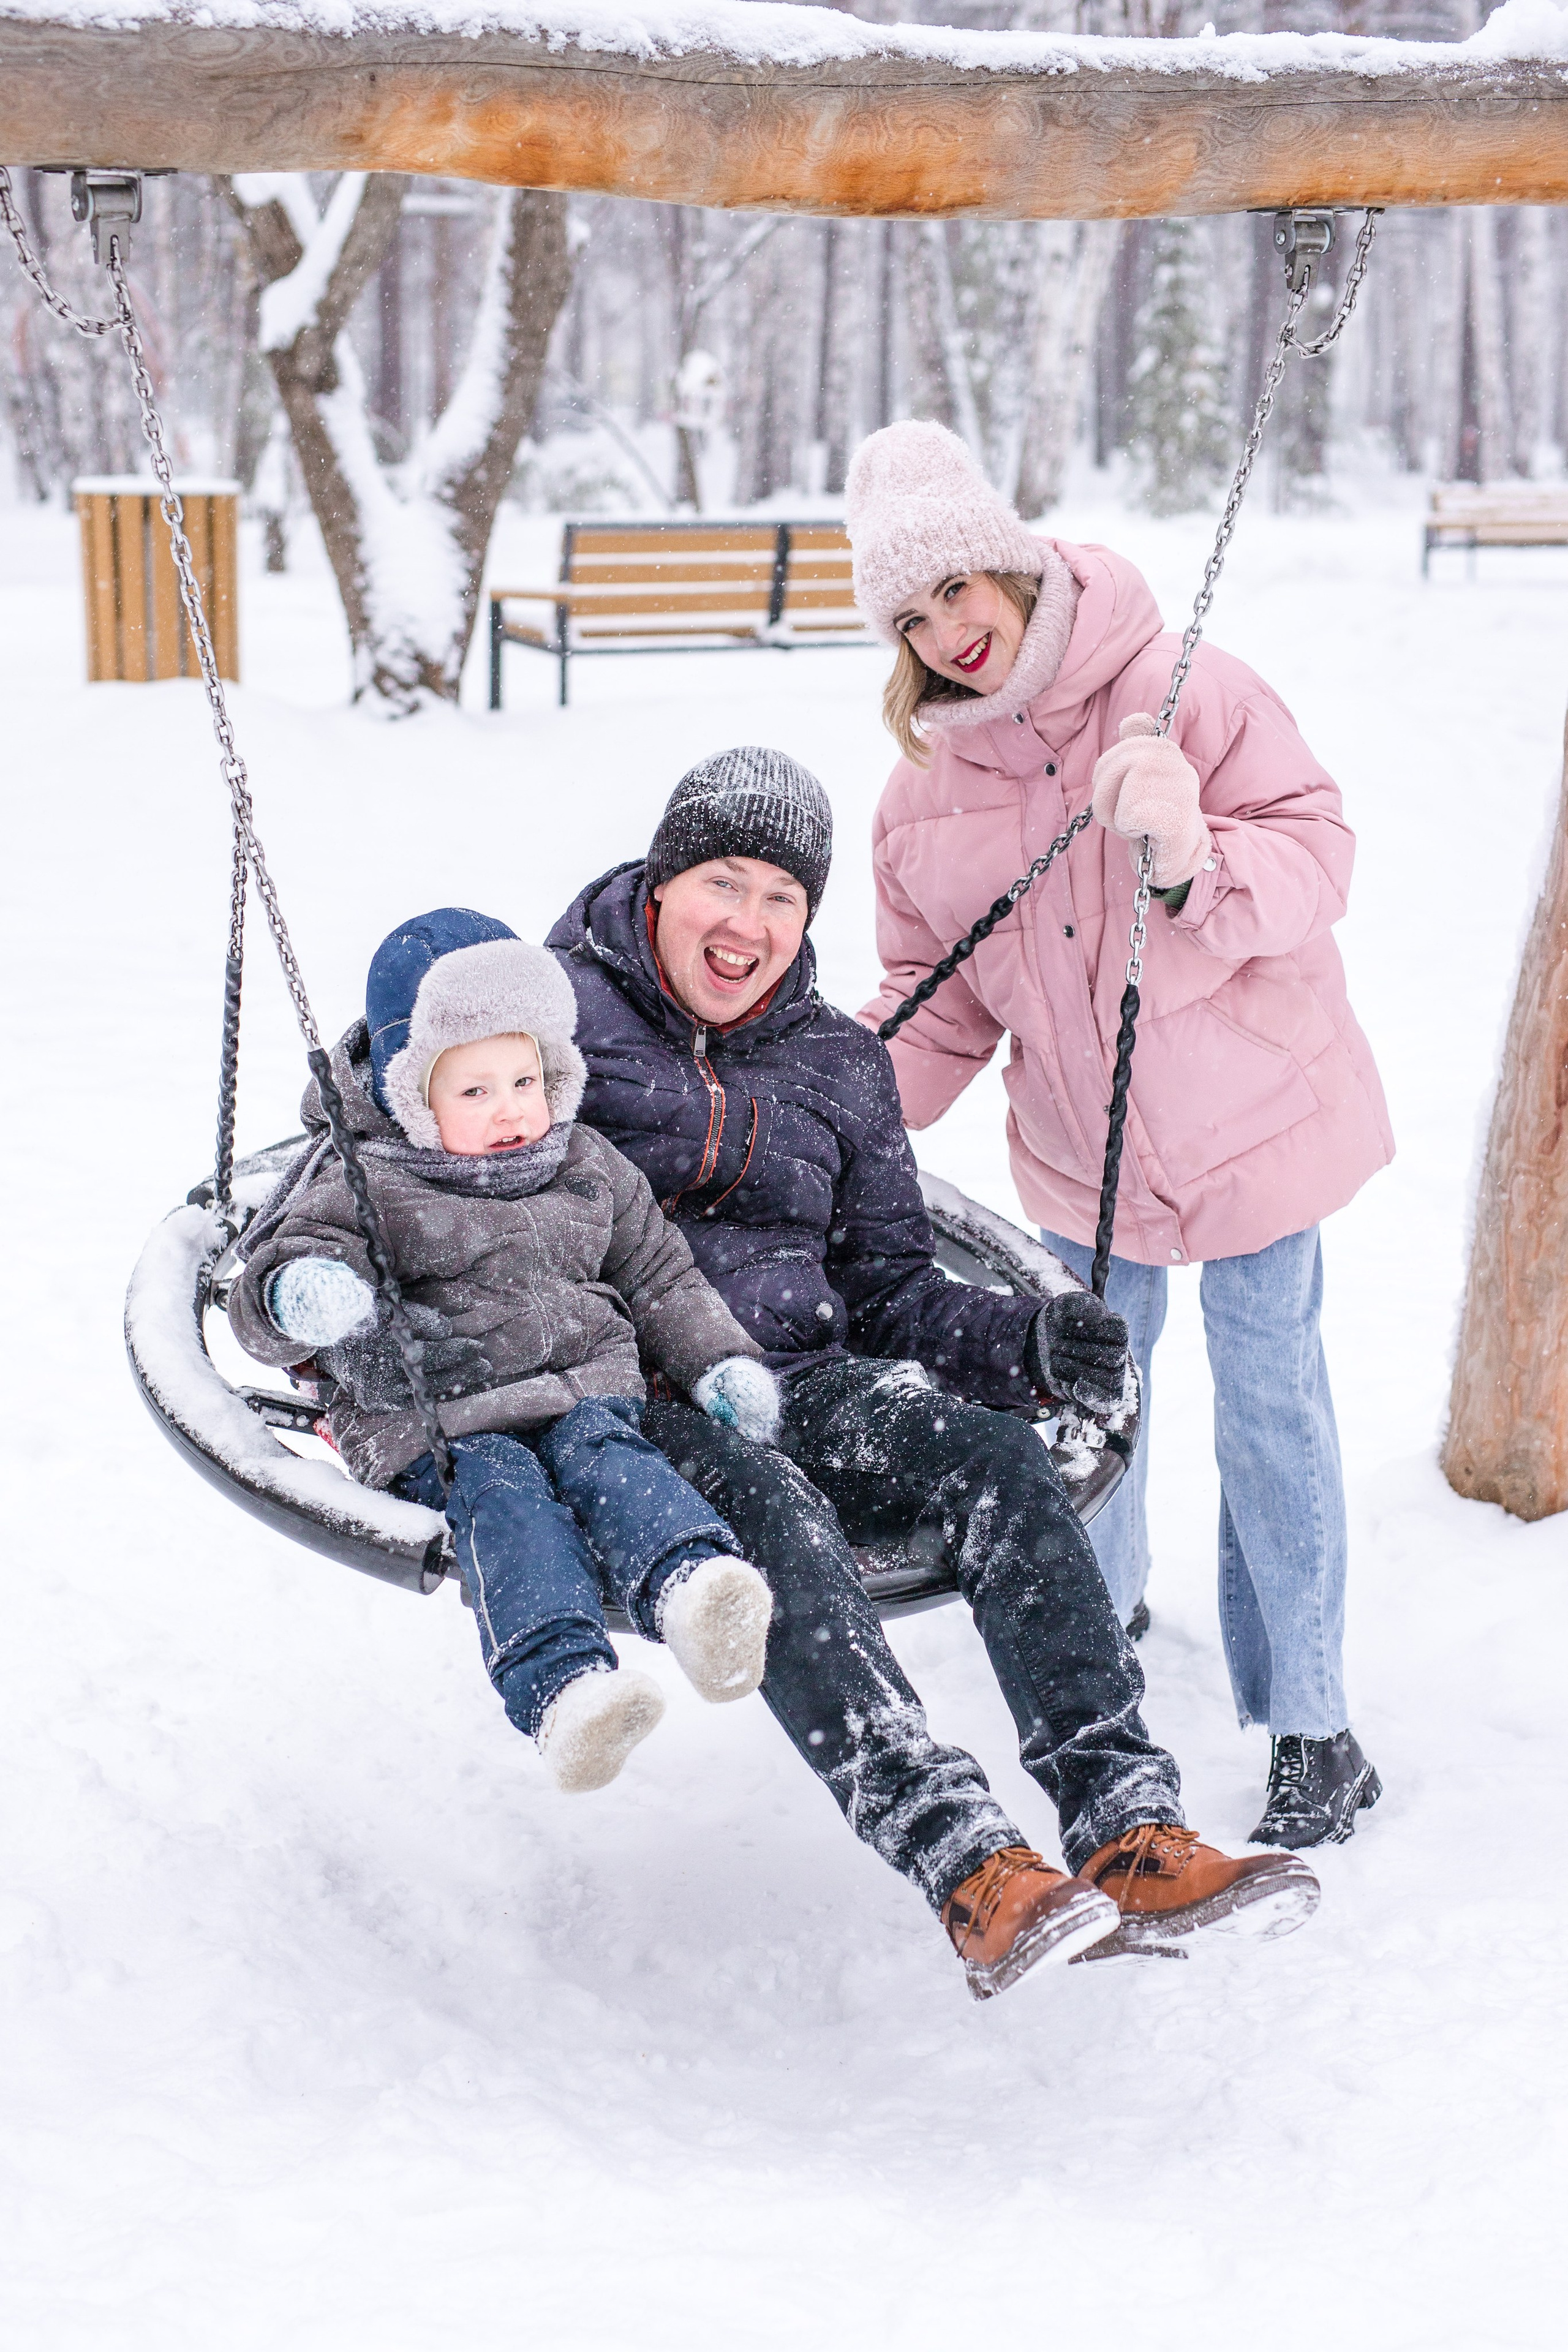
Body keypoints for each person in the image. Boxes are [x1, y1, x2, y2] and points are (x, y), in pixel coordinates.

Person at [548, 746, 1320, 1999]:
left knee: (989, 1456)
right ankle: (962, 1861)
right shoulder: (553, 1016)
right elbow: (414, 1122)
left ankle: (1124, 1825)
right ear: (658, 882)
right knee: (776, 1516)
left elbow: (891, 1286)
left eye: (780, 898)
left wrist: (1019, 1346)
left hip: (802, 1375)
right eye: (720, 884)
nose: (745, 924)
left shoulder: (836, 1066)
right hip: (628, 1412)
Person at [846, 417, 1391, 1848]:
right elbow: (937, 1000)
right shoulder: (921, 796)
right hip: (1077, 1158)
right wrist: (843, 1097)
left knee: (1269, 1405)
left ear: (1006, 563)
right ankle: (1104, 1638)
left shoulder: (1175, 684)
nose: (946, 631)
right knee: (1092, 1406)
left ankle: (1311, 1723)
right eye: (909, 616)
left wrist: (1201, 855)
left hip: (1255, 1120)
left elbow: (1317, 851)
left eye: (956, 589)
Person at [228, 908, 780, 1796]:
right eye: (475, 1092)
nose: (512, 1110)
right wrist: (305, 1296)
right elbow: (274, 1281)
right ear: (413, 1097)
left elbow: (662, 1277)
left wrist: (719, 1362)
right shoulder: (369, 1178)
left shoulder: (586, 1162)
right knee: (505, 1500)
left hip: (581, 1396)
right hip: (441, 1420)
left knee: (613, 1461)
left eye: (525, 1079)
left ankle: (693, 1590)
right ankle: (566, 1694)